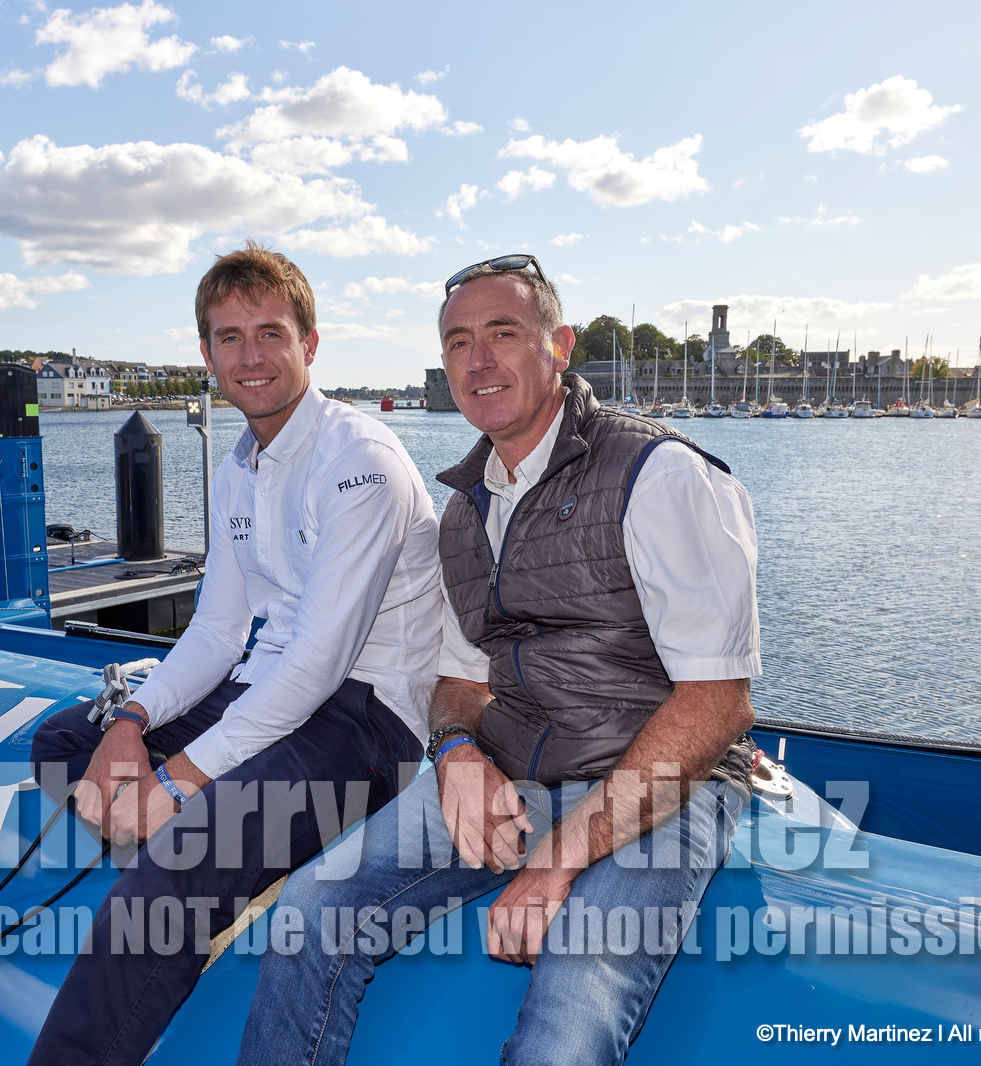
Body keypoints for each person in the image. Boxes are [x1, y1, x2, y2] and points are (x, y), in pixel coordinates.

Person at [240, 255, 760, 1065]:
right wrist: (453, 755)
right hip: (518, 774)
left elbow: (716, 703)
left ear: (559, 346)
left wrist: (558, 861)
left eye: (502, 334)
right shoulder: (462, 511)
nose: (478, 361)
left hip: (660, 786)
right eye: (457, 343)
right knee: (311, 909)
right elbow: (455, 681)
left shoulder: (659, 476)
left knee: (570, 1017)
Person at [27, 242, 441, 1066]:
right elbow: (218, 633)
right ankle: (224, 858)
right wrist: (130, 723)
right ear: (207, 354)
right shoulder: (240, 466)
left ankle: (193, 874)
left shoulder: (360, 462)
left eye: (270, 333)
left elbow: (320, 666)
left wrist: (177, 784)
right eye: (229, 337)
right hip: (273, 691)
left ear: (310, 344)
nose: (250, 356)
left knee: (176, 861)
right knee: (64, 742)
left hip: (365, 720)